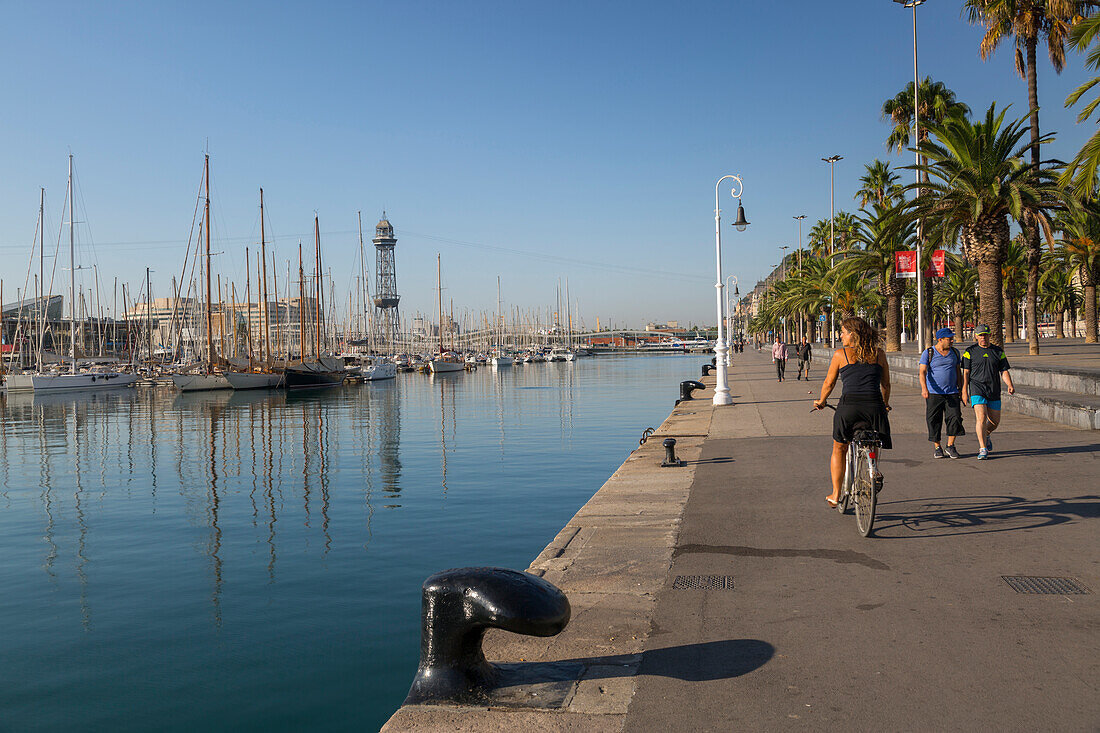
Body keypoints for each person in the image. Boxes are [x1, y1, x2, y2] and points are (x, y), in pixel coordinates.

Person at [813, 317, 892, 507]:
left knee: (839, 447)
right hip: (874, 406)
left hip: (849, 407)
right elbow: (886, 384)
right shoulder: (879, 354)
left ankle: (836, 494)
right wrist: (885, 404)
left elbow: (829, 383)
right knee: (873, 439)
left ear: (852, 334)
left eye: (843, 332)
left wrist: (821, 401)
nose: (840, 336)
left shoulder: (841, 354)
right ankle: (873, 470)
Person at [962, 325, 1015, 460]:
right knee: (981, 417)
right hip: (977, 388)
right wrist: (964, 390)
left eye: (985, 335)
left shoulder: (998, 351)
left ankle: (986, 434)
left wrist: (1009, 384)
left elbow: (1003, 370)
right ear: (976, 336)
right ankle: (983, 448)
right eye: (980, 335)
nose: (983, 337)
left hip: (994, 390)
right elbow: (966, 372)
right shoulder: (969, 352)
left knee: (995, 421)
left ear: (989, 335)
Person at [920, 327, 964, 459]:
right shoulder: (929, 353)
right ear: (940, 340)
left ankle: (950, 446)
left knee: (955, 418)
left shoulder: (955, 353)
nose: (952, 341)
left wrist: (961, 389)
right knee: (934, 420)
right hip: (934, 393)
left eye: (952, 338)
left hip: (952, 392)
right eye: (949, 339)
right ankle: (937, 447)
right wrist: (924, 388)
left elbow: (958, 372)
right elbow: (922, 372)